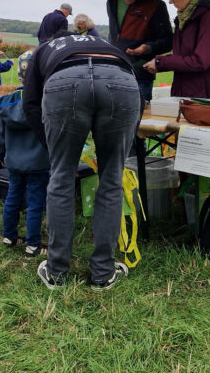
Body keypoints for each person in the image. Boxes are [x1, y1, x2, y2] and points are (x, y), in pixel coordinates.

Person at [23, 32, 142, 291]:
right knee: (111, 179)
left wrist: (52, 147)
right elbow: (136, 94)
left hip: (64, 81)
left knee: (61, 177)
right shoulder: (106, 44)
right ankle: (102, 273)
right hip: (121, 81)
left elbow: (30, 103)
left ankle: (56, 272)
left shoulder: (45, 48)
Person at [0, 49, 50, 259]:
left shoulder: (7, 102)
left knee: (12, 197)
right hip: (38, 162)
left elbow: (0, 135)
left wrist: (2, 155)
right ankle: (33, 245)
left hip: (14, 161)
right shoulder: (44, 102)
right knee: (35, 203)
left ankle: (9, 236)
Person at [105, 0, 172, 102]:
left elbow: (168, 40)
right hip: (114, 72)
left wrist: (148, 48)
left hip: (141, 74)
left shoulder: (156, 6)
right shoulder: (111, 2)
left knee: (141, 117)